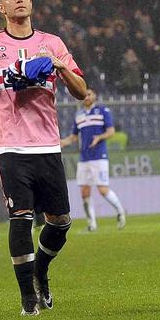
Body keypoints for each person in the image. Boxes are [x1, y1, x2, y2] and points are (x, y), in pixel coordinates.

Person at [0, 0, 89, 316]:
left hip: (47, 143)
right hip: (9, 145)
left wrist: (60, 66)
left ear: (31, 2)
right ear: (1, 8)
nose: (18, 0)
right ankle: (28, 300)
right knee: (20, 217)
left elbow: (80, 90)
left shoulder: (52, 43)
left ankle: (39, 272)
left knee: (60, 221)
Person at [60, 89, 126, 231]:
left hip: (99, 156)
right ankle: (92, 224)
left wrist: (99, 137)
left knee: (103, 189)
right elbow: (73, 137)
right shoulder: (79, 115)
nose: (87, 97)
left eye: (89, 94)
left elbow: (111, 131)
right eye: (84, 95)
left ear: (95, 96)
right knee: (84, 192)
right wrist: (62, 142)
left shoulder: (103, 111)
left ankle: (120, 212)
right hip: (84, 158)